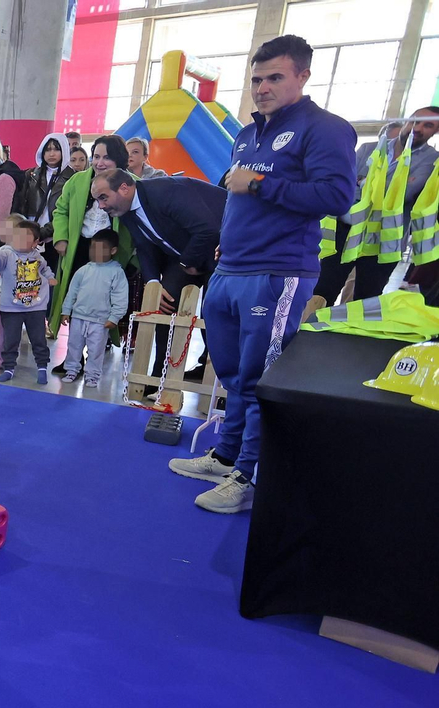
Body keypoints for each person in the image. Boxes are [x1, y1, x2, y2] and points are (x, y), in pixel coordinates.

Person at [169, 34, 356, 514]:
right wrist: (226, 240)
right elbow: (239, 200)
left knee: (259, 378)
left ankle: (250, 476)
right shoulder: (247, 133)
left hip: (276, 271)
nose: (262, 88)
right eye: (256, 79)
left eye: (275, 77)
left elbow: (338, 197)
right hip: (231, 267)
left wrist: (258, 183)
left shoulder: (325, 128)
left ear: (302, 76)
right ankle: (227, 455)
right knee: (233, 374)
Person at [92, 169, 226, 377]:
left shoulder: (167, 192)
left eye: (103, 197)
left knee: (213, 312)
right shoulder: (124, 210)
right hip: (185, 256)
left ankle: (216, 375)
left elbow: (208, 230)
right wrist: (153, 281)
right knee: (165, 303)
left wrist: (187, 262)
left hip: (221, 254)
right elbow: (144, 245)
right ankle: (160, 375)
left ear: (124, 188)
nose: (101, 206)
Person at [316, 106, 439, 304]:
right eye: (415, 121)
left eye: (428, 125)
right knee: (323, 290)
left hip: (385, 241)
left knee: (367, 300)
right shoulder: (368, 149)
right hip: (347, 231)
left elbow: (403, 194)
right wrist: (384, 185)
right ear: (407, 120)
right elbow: (343, 186)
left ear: (435, 131)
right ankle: (310, 325)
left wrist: (363, 181)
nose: (417, 128)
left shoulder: (432, 160)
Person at [49, 135, 136, 337]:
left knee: (105, 298)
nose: (100, 163)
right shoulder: (77, 180)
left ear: (119, 159)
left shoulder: (132, 184)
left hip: (113, 251)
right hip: (79, 247)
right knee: (78, 296)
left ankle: (100, 343)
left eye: (107, 157)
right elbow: (60, 210)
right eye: (96, 156)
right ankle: (75, 345)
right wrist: (60, 238)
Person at [0, 219, 56, 383]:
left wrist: (50, 278)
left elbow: (45, 269)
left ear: (35, 242)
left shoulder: (38, 257)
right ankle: (8, 368)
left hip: (35, 308)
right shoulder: (7, 255)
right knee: (10, 340)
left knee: (38, 339)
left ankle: (42, 368)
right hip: (11, 308)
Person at [59, 230, 130, 386]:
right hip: (78, 317)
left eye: (101, 249)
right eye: (93, 248)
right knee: (73, 346)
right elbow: (72, 292)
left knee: (96, 350)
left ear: (113, 251)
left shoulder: (116, 273)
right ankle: (71, 370)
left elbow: (120, 297)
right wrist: (66, 311)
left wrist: (114, 317)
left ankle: (92, 376)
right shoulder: (83, 270)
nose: (95, 252)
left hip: (100, 321)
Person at [20, 132, 72, 238]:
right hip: (31, 232)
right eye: (47, 150)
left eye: (56, 149)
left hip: (59, 233)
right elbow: (22, 205)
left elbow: (70, 212)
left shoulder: (72, 177)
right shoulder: (31, 174)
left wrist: (46, 231)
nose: (51, 154)